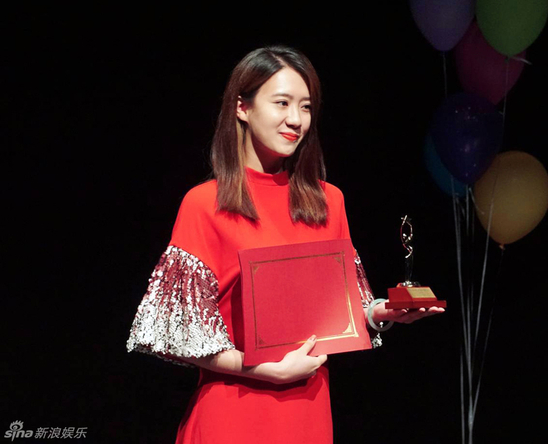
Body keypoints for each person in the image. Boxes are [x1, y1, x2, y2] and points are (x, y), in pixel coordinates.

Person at [126, 45, 444, 443]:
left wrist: (381, 312)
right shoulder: (205, 203)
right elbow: (174, 335)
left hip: (308, 414)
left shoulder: (328, 201)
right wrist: (262, 370)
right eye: (282, 103)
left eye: (306, 107)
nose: (296, 119)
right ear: (242, 107)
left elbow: (338, 313)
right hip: (232, 416)